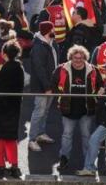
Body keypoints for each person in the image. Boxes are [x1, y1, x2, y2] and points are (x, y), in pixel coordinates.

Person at [53, 45, 101, 172]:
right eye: (75, 58)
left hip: (87, 109)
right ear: (71, 57)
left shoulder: (93, 70)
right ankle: (64, 159)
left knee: (86, 136)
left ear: (85, 58)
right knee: (66, 135)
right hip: (67, 109)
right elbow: (53, 84)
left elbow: (101, 85)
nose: (78, 60)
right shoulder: (61, 69)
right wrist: (59, 97)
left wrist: (98, 97)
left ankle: (88, 162)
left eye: (81, 58)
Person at [0, 40, 24, 179]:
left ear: (4, 54)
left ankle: (0, 167)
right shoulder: (19, 68)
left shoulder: (6, 68)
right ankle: (14, 167)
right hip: (13, 108)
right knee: (10, 138)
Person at [28, 21, 60, 152]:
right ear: (48, 31)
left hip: (51, 85)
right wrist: (47, 86)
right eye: (53, 28)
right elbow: (39, 69)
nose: (55, 31)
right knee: (39, 112)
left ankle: (41, 133)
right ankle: (32, 139)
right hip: (42, 86)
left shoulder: (52, 43)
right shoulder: (38, 47)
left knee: (45, 111)